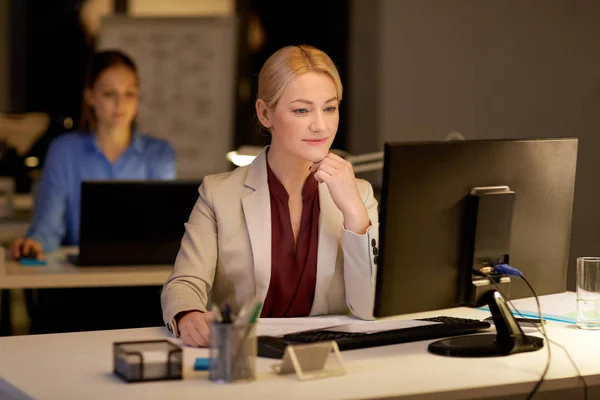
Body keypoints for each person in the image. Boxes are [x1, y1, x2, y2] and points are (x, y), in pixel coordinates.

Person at [161, 45, 379, 347]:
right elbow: (184, 283)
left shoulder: (360, 194)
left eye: (330, 108)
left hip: (329, 360)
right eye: (302, 110)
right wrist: (188, 315)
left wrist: (354, 213)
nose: (321, 125)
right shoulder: (218, 194)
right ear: (265, 113)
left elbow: (369, 308)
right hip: (244, 357)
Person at [10, 50, 176, 333]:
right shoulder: (65, 150)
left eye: (129, 93)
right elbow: (48, 229)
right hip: (78, 285)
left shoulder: (158, 154)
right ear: (90, 97)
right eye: (110, 93)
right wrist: (34, 244)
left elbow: (160, 230)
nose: (119, 103)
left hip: (139, 285)